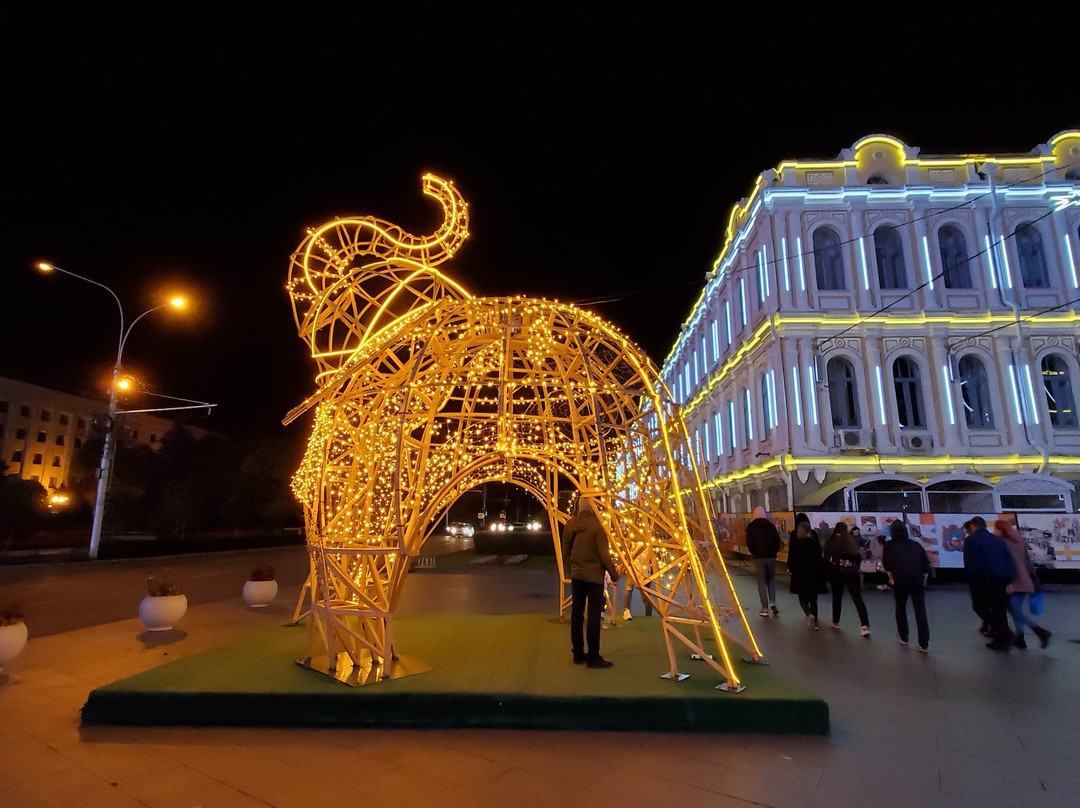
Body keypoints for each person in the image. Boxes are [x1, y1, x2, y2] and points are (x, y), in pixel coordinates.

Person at [561, 497, 619, 668]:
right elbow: (604, 556)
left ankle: (578, 654)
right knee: (593, 617)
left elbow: (565, 552)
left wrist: (572, 569)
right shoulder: (597, 526)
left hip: (577, 576)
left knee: (577, 615)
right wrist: (614, 575)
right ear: (593, 507)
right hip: (594, 577)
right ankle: (593, 657)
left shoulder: (570, 524)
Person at [995, 519, 1052, 650]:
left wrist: (1007, 581)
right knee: (1016, 609)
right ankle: (1020, 637)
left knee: (1013, 610)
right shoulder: (1019, 540)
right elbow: (1028, 562)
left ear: (999, 530)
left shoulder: (1001, 542)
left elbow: (1005, 563)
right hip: (1025, 578)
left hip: (1013, 579)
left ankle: (1039, 631)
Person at [963, 516, 1017, 652]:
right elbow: (1008, 560)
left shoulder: (971, 540)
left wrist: (971, 578)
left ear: (973, 526)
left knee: (979, 607)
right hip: (1002, 578)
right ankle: (1001, 640)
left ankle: (1004, 633)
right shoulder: (998, 540)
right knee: (1000, 610)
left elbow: (971, 562)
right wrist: (1010, 579)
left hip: (982, 580)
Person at [881, 520, 930, 652]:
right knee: (920, 611)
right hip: (917, 580)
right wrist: (923, 582)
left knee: (900, 608)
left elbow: (887, 565)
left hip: (900, 580)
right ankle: (923, 643)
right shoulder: (915, 545)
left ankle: (904, 637)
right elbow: (926, 566)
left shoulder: (889, 546)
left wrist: (892, 579)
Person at [823, 521, 870, 636]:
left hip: (836, 573)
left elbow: (827, 559)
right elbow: (857, 557)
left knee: (837, 598)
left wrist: (827, 573)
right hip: (852, 573)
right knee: (858, 599)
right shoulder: (850, 541)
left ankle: (835, 621)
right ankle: (864, 626)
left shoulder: (830, 541)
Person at [786, 513, 827, 629]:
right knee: (813, 599)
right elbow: (819, 554)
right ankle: (816, 622)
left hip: (799, 572)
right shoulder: (813, 535)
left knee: (802, 596)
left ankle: (809, 614)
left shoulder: (794, 535)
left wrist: (790, 566)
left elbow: (792, 553)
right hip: (813, 573)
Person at [746, 506, 781, 616]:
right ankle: (773, 602)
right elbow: (777, 541)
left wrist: (754, 552)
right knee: (771, 580)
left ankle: (764, 608)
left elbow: (749, 543)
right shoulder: (771, 526)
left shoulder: (751, 527)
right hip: (770, 558)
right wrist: (774, 553)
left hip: (758, 558)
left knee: (761, 582)